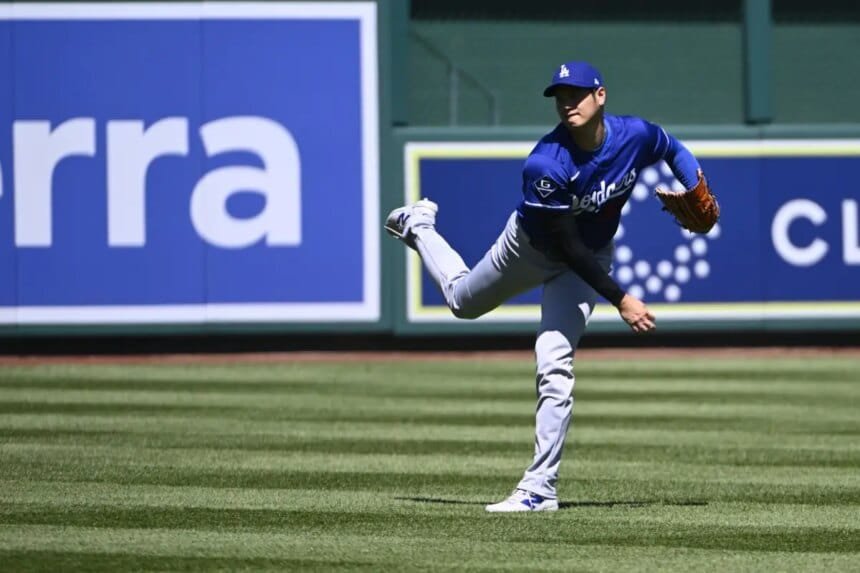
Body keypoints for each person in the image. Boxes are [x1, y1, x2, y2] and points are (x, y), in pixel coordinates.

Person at [385, 61, 707, 512]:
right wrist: (622, 299)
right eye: (560, 95)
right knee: (461, 302)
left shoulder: (633, 135)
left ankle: (539, 490)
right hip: (529, 248)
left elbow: (672, 147)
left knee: (554, 363)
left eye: (576, 93)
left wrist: (694, 185)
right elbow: (566, 245)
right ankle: (419, 226)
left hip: (588, 259)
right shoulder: (546, 163)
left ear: (600, 96)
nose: (567, 102)